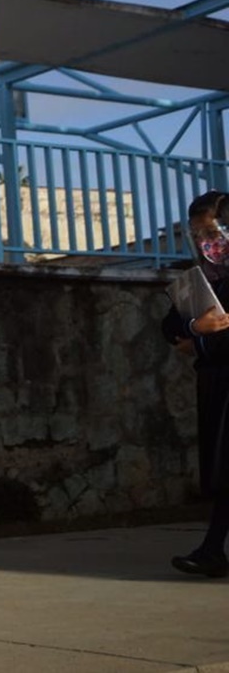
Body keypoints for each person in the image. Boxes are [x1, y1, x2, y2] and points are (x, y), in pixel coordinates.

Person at [163, 191, 229, 579]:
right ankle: (212, 550)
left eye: (213, 232)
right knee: (223, 471)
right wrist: (194, 329)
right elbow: (170, 324)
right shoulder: (204, 280)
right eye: (198, 234)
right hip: (217, 384)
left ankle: (211, 550)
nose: (208, 243)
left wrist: (200, 341)